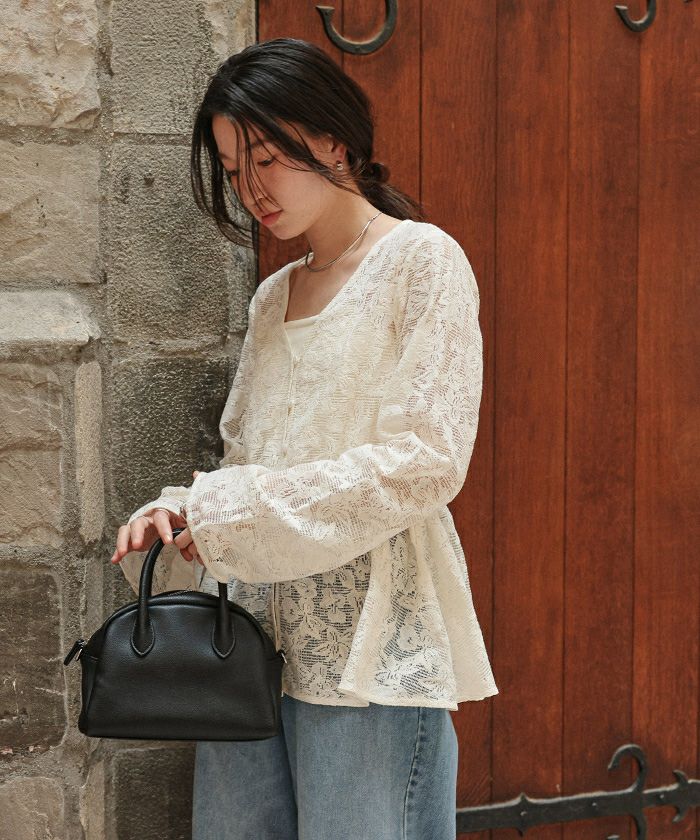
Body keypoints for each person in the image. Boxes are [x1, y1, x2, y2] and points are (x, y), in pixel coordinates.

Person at [110, 36, 498, 840]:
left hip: (367, 650)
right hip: (245, 646)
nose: (251, 188)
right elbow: (249, 463)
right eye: (232, 169)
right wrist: (183, 510)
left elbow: (426, 463)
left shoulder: (421, 261)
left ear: (334, 140)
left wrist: (230, 510)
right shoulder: (274, 295)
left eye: (266, 157)